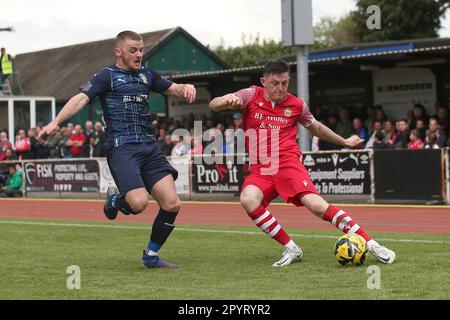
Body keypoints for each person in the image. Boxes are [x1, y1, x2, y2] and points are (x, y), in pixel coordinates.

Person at [209, 59, 395, 267]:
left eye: (285, 83)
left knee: (316, 206)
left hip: (288, 163)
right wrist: (226, 101)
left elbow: (316, 128)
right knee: (248, 199)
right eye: (275, 83)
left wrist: (344, 142)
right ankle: (291, 248)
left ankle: (371, 244)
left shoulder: (296, 105)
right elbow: (214, 104)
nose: (280, 88)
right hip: (261, 168)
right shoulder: (251, 95)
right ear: (264, 81)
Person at [38, 30, 196, 269]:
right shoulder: (106, 76)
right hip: (122, 148)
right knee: (139, 203)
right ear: (119, 52)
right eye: (133, 50)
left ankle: (151, 256)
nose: (139, 54)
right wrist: (55, 122)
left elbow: (172, 88)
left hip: (149, 147)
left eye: (141, 50)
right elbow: (80, 99)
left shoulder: (147, 75)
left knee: (172, 203)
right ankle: (114, 200)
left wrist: (186, 87)